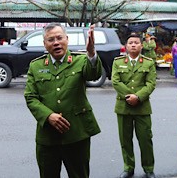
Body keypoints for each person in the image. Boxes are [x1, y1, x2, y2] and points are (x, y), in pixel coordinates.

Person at [24, 23, 102, 178]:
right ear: (44, 44)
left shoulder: (80, 60)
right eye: (51, 39)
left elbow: (94, 75)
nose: (56, 42)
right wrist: (48, 116)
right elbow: (31, 97)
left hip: (77, 133)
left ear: (67, 39)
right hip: (47, 136)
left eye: (60, 38)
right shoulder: (36, 66)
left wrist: (91, 52)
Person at [112, 33, 156, 178]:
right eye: (130, 42)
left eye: (136, 43)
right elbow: (115, 81)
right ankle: (128, 167)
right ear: (126, 46)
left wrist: (138, 97)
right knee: (125, 140)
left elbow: (151, 84)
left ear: (141, 46)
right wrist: (128, 96)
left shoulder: (148, 63)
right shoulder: (118, 62)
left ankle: (149, 168)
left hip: (142, 107)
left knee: (145, 140)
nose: (133, 45)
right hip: (123, 107)